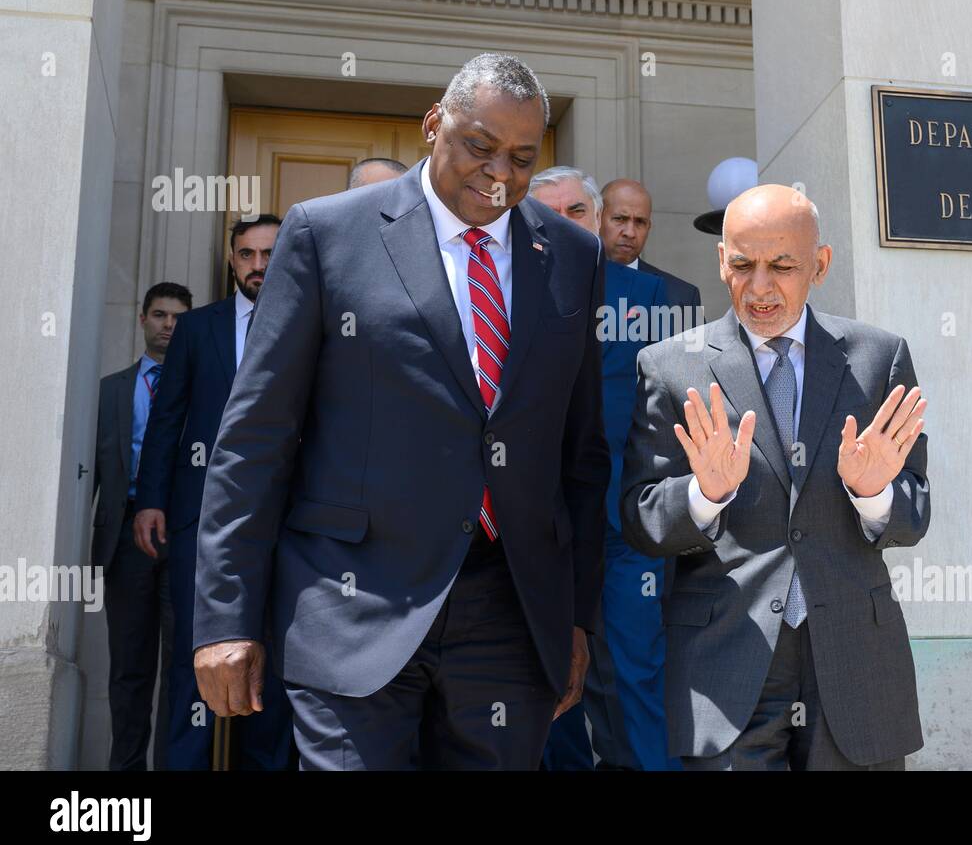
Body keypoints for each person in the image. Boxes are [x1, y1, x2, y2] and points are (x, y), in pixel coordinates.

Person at [189, 52, 609, 770]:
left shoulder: (570, 253)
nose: (500, 174)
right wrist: (225, 615)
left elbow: (580, 453)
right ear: (432, 125)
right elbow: (256, 435)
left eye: (521, 156)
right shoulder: (327, 234)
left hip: (510, 617)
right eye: (479, 146)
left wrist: (574, 617)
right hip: (353, 605)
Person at [621, 184, 931, 770]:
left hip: (854, 665)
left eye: (782, 266)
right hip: (725, 667)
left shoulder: (878, 357)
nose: (760, 287)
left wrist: (875, 493)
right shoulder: (667, 365)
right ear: (721, 262)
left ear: (820, 264)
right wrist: (703, 495)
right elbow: (640, 518)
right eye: (743, 265)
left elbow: (915, 513)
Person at [133, 215, 293, 770]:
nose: (258, 266)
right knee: (189, 660)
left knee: (270, 666)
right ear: (232, 261)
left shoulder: (312, 322)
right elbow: (166, 418)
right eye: (247, 255)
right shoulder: (199, 328)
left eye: (269, 254)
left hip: (286, 526)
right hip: (197, 519)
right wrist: (150, 499)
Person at [529, 168, 674, 770]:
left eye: (577, 213)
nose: (566, 226)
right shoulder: (487, 291)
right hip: (517, 528)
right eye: (548, 215)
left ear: (596, 218)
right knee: (533, 685)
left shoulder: (649, 301)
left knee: (633, 674)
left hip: (621, 521)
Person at [93, 282, 191, 770]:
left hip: (185, 536)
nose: (168, 324)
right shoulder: (111, 390)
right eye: (159, 314)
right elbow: (89, 470)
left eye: (177, 316)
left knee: (182, 668)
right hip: (127, 539)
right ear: (142, 320)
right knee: (129, 670)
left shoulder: (204, 389)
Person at [601, 178, 704, 331]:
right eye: (619, 219)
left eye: (640, 222)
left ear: (649, 227)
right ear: (598, 218)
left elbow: (696, 354)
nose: (630, 232)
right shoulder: (573, 285)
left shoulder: (682, 297)